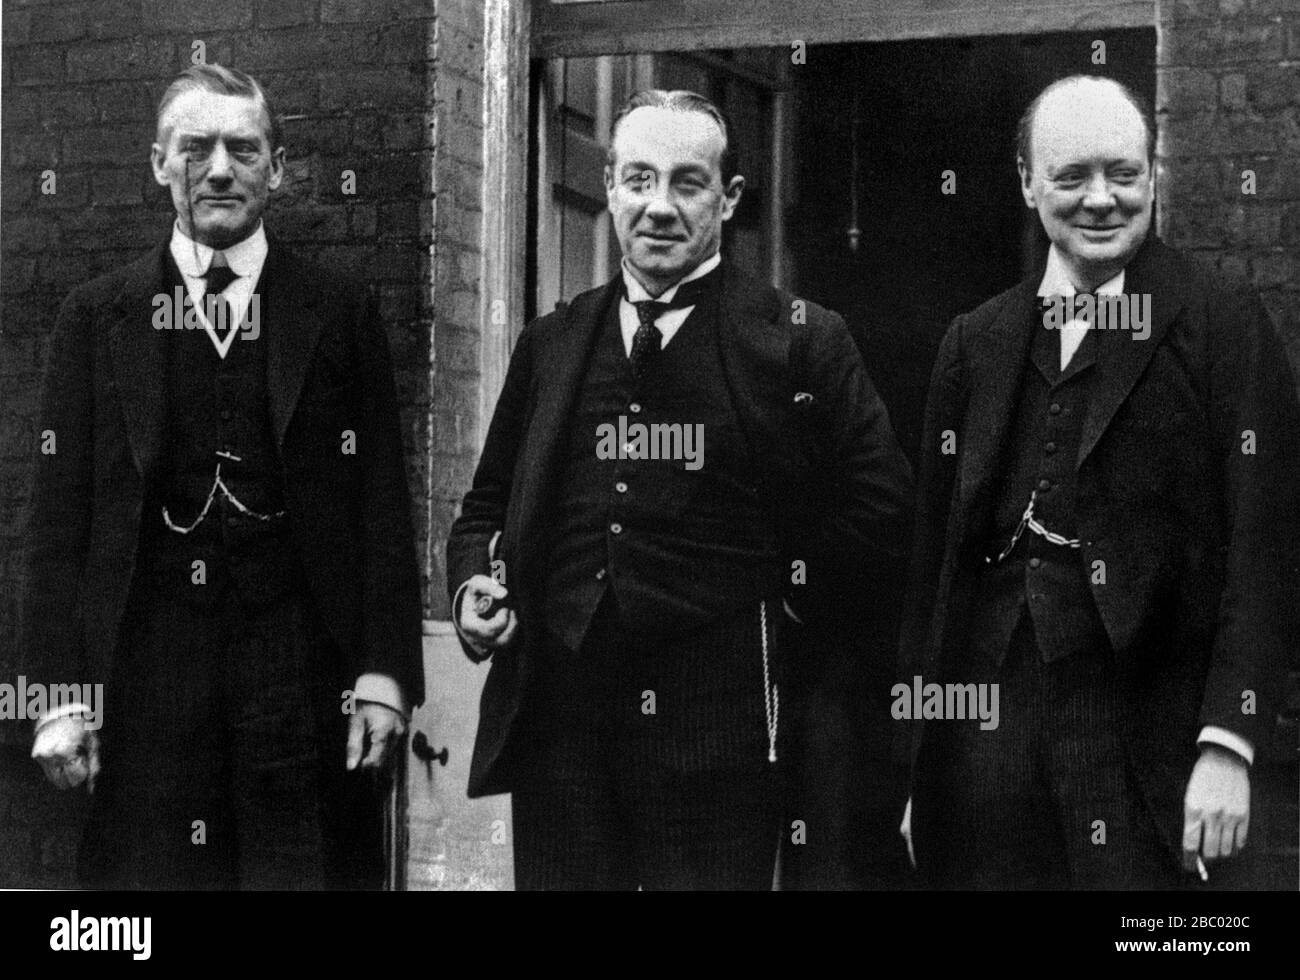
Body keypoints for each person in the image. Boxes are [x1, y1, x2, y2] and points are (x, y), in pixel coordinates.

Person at [447, 89, 913, 890]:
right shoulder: (553, 342)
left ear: (728, 198)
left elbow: (884, 507)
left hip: (717, 736)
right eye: (638, 179)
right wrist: (469, 589)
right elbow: (485, 506)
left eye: (687, 183)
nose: (658, 206)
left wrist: (787, 600)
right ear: (609, 186)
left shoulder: (801, 340)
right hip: (562, 726)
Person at [22, 64, 424, 889]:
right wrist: (55, 696)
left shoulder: (338, 312)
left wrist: (384, 675)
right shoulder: (98, 317)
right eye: (195, 149)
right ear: (158, 164)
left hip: (302, 681)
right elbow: (56, 522)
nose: (218, 170)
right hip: (144, 684)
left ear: (276, 169)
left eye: (243, 150)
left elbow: (380, 504)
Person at [899, 75, 1300, 889]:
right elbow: (933, 567)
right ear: (1026, 184)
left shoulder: (1221, 325)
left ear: (1154, 176)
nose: (1101, 200)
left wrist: (1229, 742)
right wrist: (918, 759)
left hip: (1145, 736)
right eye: (1071, 176)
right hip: (986, 731)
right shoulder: (977, 341)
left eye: (1124, 173)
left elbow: (1269, 546)